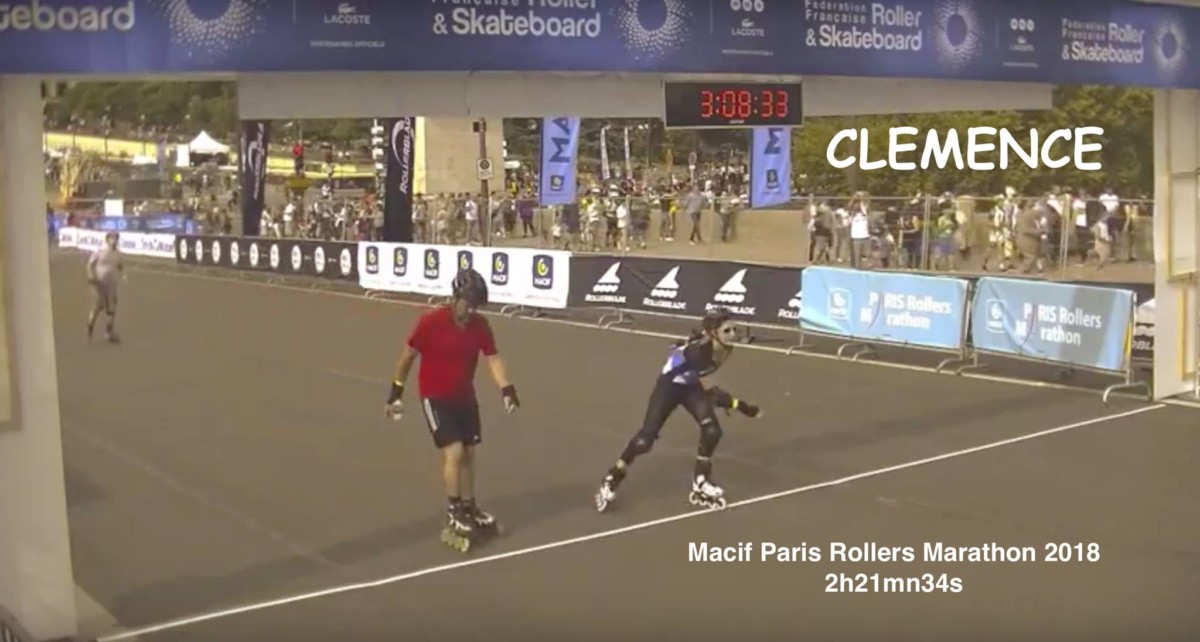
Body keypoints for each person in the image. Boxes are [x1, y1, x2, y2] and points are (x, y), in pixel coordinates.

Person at [385, 268, 520, 549]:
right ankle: (454, 510)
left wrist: (506, 388)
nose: (471, 310)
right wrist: (396, 391)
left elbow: (493, 358)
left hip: (464, 396)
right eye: (467, 304)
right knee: (455, 451)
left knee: (470, 451)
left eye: (476, 306)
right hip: (435, 396)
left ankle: (469, 506)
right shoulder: (430, 323)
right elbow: (408, 357)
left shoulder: (480, 326)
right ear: (455, 297)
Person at [594, 309, 762, 513]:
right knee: (645, 440)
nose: (733, 334)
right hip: (669, 386)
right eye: (727, 331)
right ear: (713, 334)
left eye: (734, 329)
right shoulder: (699, 353)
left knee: (712, 430)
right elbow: (715, 394)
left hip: (691, 386)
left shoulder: (724, 347)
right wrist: (744, 407)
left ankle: (701, 480)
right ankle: (613, 476)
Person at [86, 232, 124, 344]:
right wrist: (91, 276)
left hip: (111, 284)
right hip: (99, 282)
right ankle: (90, 324)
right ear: (107, 240)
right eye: (112, 238)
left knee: (112, 306)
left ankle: (109, 332)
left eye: (116, 239)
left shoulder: (118, 254)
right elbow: (90, 265)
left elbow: (120, 266)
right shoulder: (100, 251)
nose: (115, 241)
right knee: (98, 305)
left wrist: (123, 275)